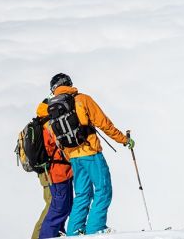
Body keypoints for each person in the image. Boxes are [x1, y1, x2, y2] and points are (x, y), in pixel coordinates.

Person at [48, 73, 135, 236]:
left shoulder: (53, 108)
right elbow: (104, 123)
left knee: (82, 193)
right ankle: (96, 228)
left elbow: (57, 137)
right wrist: (123, 139)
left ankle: (74, 231)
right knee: (103, 188)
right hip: (91, 153)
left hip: (73, 156)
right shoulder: (82, 99)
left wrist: (70, 154)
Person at [36, 100, 74, 239]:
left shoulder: (43, 121)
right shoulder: (49, 124)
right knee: (58, 209)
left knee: (65, 207)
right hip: (57, 173)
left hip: (59, 172)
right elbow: (59, 147)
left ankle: (58, 233)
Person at [31, 174, 51, 239]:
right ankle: (37, 236)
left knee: (52, 207)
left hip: (48, 177)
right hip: (48, 176)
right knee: (51, 207)